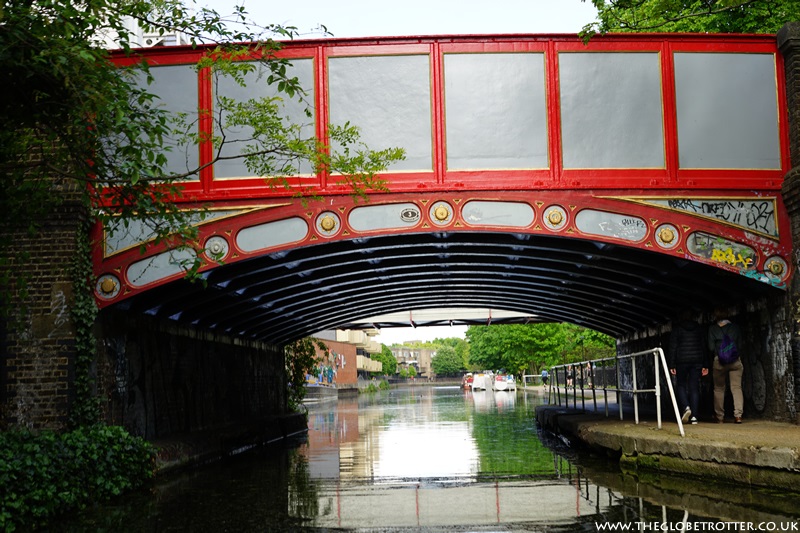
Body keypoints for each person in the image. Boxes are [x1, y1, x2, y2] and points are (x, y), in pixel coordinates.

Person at [668, 312, 709, 425]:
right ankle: (694, 416)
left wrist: (671, 365)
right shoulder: (699, 328)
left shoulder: (677, 329)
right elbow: (703, 346)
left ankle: (686, 407)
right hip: (697, 361)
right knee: (694, 388)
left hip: (682, 361)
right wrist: (705, 364)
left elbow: (673, 347)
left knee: (681, 385)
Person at [708, 313, 744, 424]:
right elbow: (740, 345)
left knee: (719, 388)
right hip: (734, 361)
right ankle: (738, 416)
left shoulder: (712, 329)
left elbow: (710, 347)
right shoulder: (735, 328)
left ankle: (720, 417)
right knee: (736, 387)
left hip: (719, 361)